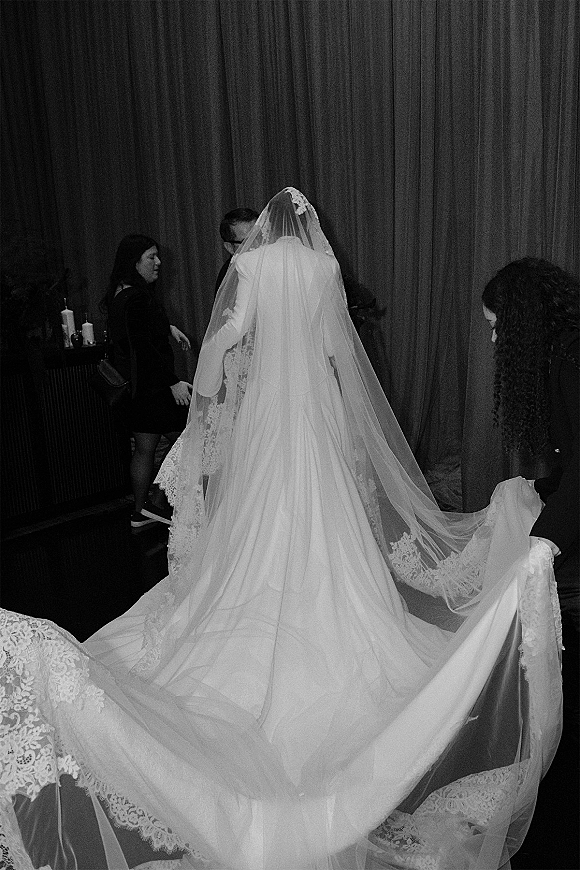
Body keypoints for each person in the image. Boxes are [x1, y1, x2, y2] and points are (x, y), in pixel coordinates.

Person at [2, 192, 562, 870]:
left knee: (258, 526)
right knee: (327, 524)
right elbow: (336, 351)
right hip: (316, 424)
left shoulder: (253, 266)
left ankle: (262, 606)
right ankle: (331, 614)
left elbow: (219, 352)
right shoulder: (323, 270)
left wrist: (214, 379)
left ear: (266, 229)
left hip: (267, 423)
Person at [482, 256, 579, 869]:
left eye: (497, 327)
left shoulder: (571, 359)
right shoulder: (564, 355)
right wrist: (542, 491)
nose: (494, 340)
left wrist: (546, 540)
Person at [101, 234, 192, 528]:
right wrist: (173, 382)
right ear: (134, 262)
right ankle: (161, 503)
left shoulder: (121, 292)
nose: (158, 262)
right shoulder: (138, 297)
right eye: (151, 257)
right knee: (189, 442)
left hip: (136, 390)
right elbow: (143, 347)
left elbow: (135, 332)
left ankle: (140, 512)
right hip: (154, 389)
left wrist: (168, 327)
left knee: (144, 449)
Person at [214, 207, 258, 295]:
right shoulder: (230, 279)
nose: (257, 244)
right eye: (247, 242)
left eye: (258, 236)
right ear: (230, 247)